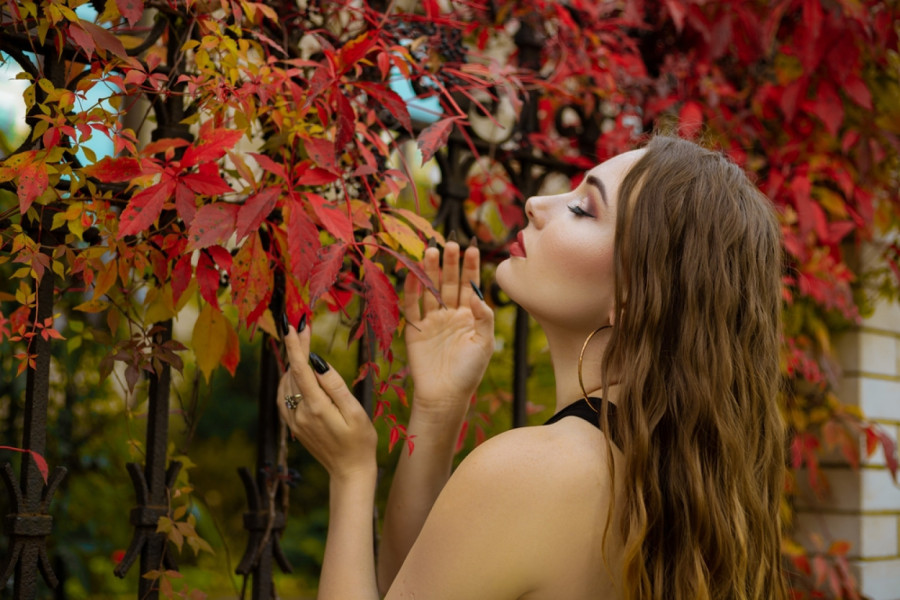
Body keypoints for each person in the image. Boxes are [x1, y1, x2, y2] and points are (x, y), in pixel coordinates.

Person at [276, 135, 787, 600]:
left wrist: (351, 473)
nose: (537, 204)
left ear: (635, 296)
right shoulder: (670, 480)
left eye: (584, 210)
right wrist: (438, 409)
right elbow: (411, 584)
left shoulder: (537, 470)